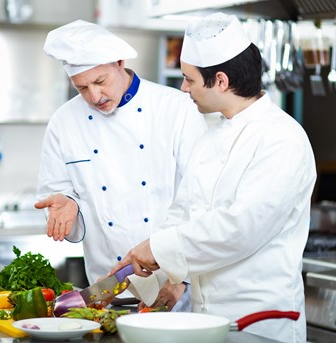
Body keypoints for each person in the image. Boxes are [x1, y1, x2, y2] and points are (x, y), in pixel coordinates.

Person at [109, 12, 316, 343]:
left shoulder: (282, 139)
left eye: (189, 79)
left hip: (259, 322)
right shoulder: (211, 134)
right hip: (207, 319)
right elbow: (182, 213)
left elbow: (240, 228)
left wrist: (158, 249)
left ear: (220, 81)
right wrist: (153, 274)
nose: (183, 87)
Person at [35, 20, 208, 310]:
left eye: (100, 81)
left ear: (119, 62)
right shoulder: (63, 123)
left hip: (174, 286)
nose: (94, 96)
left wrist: (182, 279)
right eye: (82, 88)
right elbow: (56, 192)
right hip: (107, 289)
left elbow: (200, 198)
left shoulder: (176, 109)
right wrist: (69, 203)